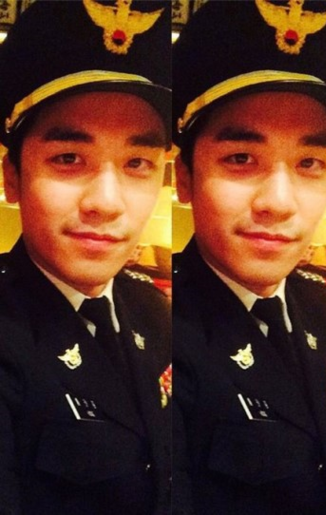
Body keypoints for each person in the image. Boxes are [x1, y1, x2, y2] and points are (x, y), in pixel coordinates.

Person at [171, 1, 326, 514]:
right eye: (241, 158)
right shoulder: (160, 334)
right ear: (184, 177)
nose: (279, 203)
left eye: (309, 162)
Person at [0, 2, 172, 514]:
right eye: (69, 158)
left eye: (137, 162)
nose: (106, 203)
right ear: (12, 177)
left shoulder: (154, 311)